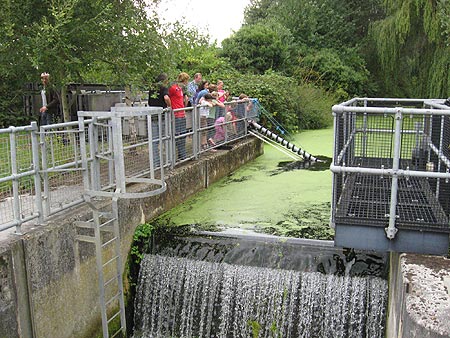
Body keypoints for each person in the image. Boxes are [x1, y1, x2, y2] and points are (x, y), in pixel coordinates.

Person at [148, 73, 171, 168]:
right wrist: (169, 106)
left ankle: (155, 163)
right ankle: (168, 160)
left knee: (154, 140)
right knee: (166, 138)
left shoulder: (152, 88)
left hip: (153, 116)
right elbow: (166, 97)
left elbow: (149, 102)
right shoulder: (163, 87)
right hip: (162, 116)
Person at [169, 72, 190, 160]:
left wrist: (184, 107)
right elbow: (168, 97)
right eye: (186, 80)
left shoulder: (180, 89)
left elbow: (184, 99)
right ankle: (181, 155)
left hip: (181, 113)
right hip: (176, 114)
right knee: (178, 134)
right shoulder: (173, 88)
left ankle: (182, 154)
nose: (187, 82)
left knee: (183, 134)